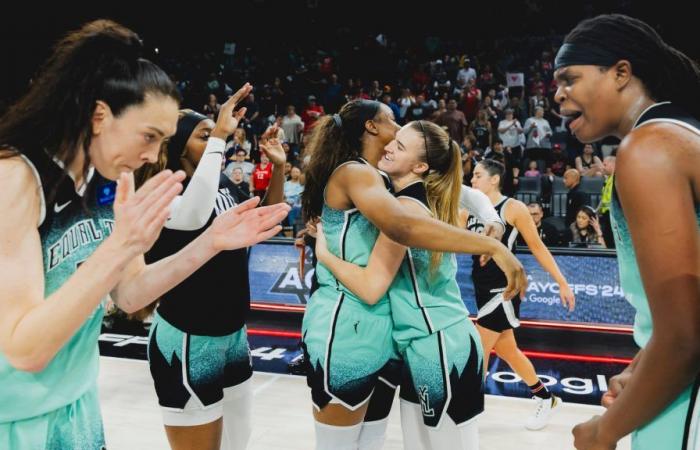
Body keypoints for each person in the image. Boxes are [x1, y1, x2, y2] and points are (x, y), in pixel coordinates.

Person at [0, 20, 289, 450]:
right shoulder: (15, 179)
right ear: (99, 117)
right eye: (149, 136)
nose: (154, 154)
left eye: (164, 140)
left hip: (75, 405)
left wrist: (210, 242)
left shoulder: (106, 181)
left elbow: (132, 296)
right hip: (13, 415)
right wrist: (120, 246)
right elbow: (25, 351)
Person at [300, 100, 527, 449]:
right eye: (394, 126)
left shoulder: (405, 203)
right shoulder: (389, 188)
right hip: (407, 340)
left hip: (432, 339)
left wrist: (325, 253)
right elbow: (468, 195)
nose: (393, 142)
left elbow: (393, 249)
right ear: (371, 128)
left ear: (421, 165)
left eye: (401, 145)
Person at [552, 14, 700, 450]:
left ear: (621, 73)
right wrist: (641, 370)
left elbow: (685, 338)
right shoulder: (681, 134)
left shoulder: (648, 147)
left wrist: (605, 430)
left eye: (569, 78)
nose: (557, 95)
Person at [470, 159, 576, 430]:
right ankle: (546, 398)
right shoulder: (468, 208)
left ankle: (467, 412)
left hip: (504, 290)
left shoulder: (512, 208)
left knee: (479, 352)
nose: (472, 180)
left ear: (494, 179)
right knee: (508, 351)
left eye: (478, 175)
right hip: (481, 290)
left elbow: (538, 248)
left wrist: (562, 282)